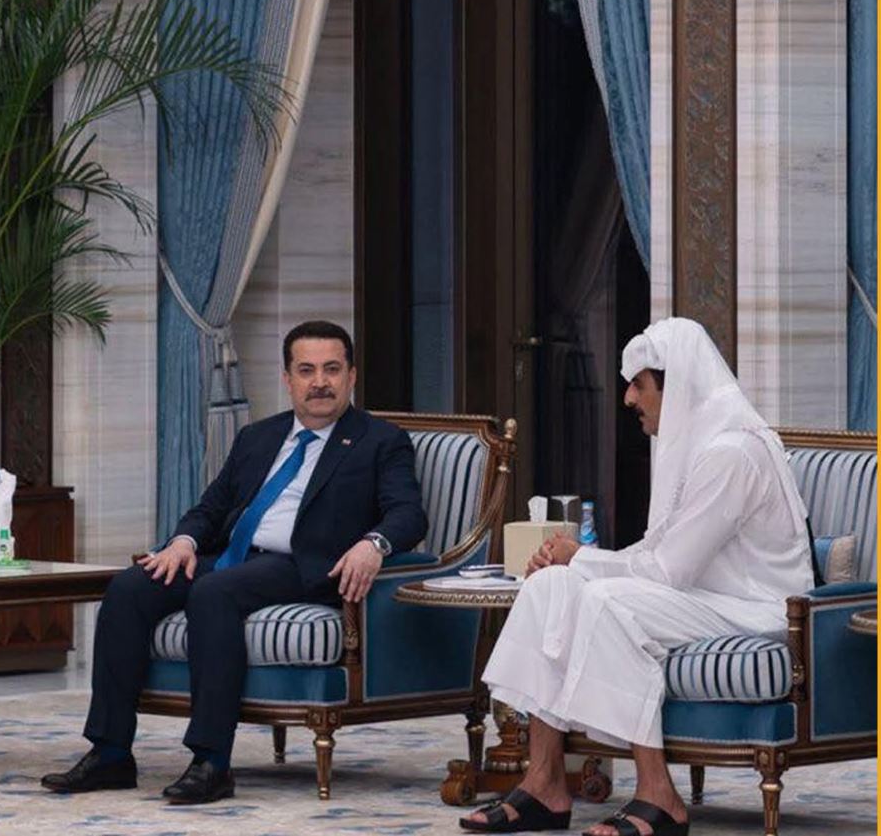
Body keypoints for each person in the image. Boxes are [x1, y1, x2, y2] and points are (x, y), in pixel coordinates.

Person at [41, 320, 426, 804]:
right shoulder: (258, 437)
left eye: (332, 369)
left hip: (301, 566)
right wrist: (182, 542)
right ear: (287, 379)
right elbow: (211, 508)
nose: (320, 382)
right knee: (129, 587)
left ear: (351, 376)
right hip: (233, 557)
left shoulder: (380, 440)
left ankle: (211, 762)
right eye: (306, 370)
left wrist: (373, 544)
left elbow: (408, 514)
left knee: (214, 592)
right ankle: (111, 752)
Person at [462, 318, 812, 836]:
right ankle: (544, 784)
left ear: (677, 385)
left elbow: (670, 570)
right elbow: (656, 551)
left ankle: (658, 795)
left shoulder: (731, 454)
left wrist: (581, 557)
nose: (628, 398)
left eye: (638, 384)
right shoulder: (695, 442)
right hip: (702, 598)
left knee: (606, 602)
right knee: (548, 587)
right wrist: (570, 563)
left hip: (754, 609)